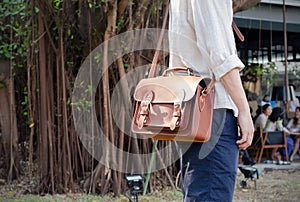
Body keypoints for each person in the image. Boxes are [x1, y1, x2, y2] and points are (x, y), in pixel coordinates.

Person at [169, 1, 254, 201]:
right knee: (211, 192)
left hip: (190, 108)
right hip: (213, 110)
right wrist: (244, 109)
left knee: (199, 191)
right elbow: (220, 55)